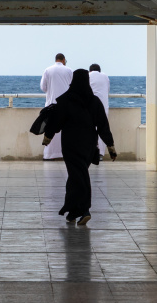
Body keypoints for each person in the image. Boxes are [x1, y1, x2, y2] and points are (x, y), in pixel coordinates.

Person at [43, 68, 117, 226]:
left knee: (78, 175)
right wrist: (110, 147)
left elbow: (56, 121)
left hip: (70, 144)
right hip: (89, 145)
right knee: (76, 175)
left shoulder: (65, 100)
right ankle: (72, 211)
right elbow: (103, 125)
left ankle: (84, 210)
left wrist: (47, 137)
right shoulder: (95, 101)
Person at [39, 53, 73, 160]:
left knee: (50, 129)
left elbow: (43, 87)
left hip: (51, 104)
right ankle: (64, 153)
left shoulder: (48, 70)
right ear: (63, 60)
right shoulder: (69, 70)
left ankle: (49, 155)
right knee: (66, 130)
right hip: (66, 105)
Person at [89, 63, 110, 160]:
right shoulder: (105, 76)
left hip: (91, 105)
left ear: (90, 70)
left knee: (90, 129)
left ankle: (90, 152)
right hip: (104, 106)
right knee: (102, 128)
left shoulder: (88, 76)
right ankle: (100, 154)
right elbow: (108, 90)